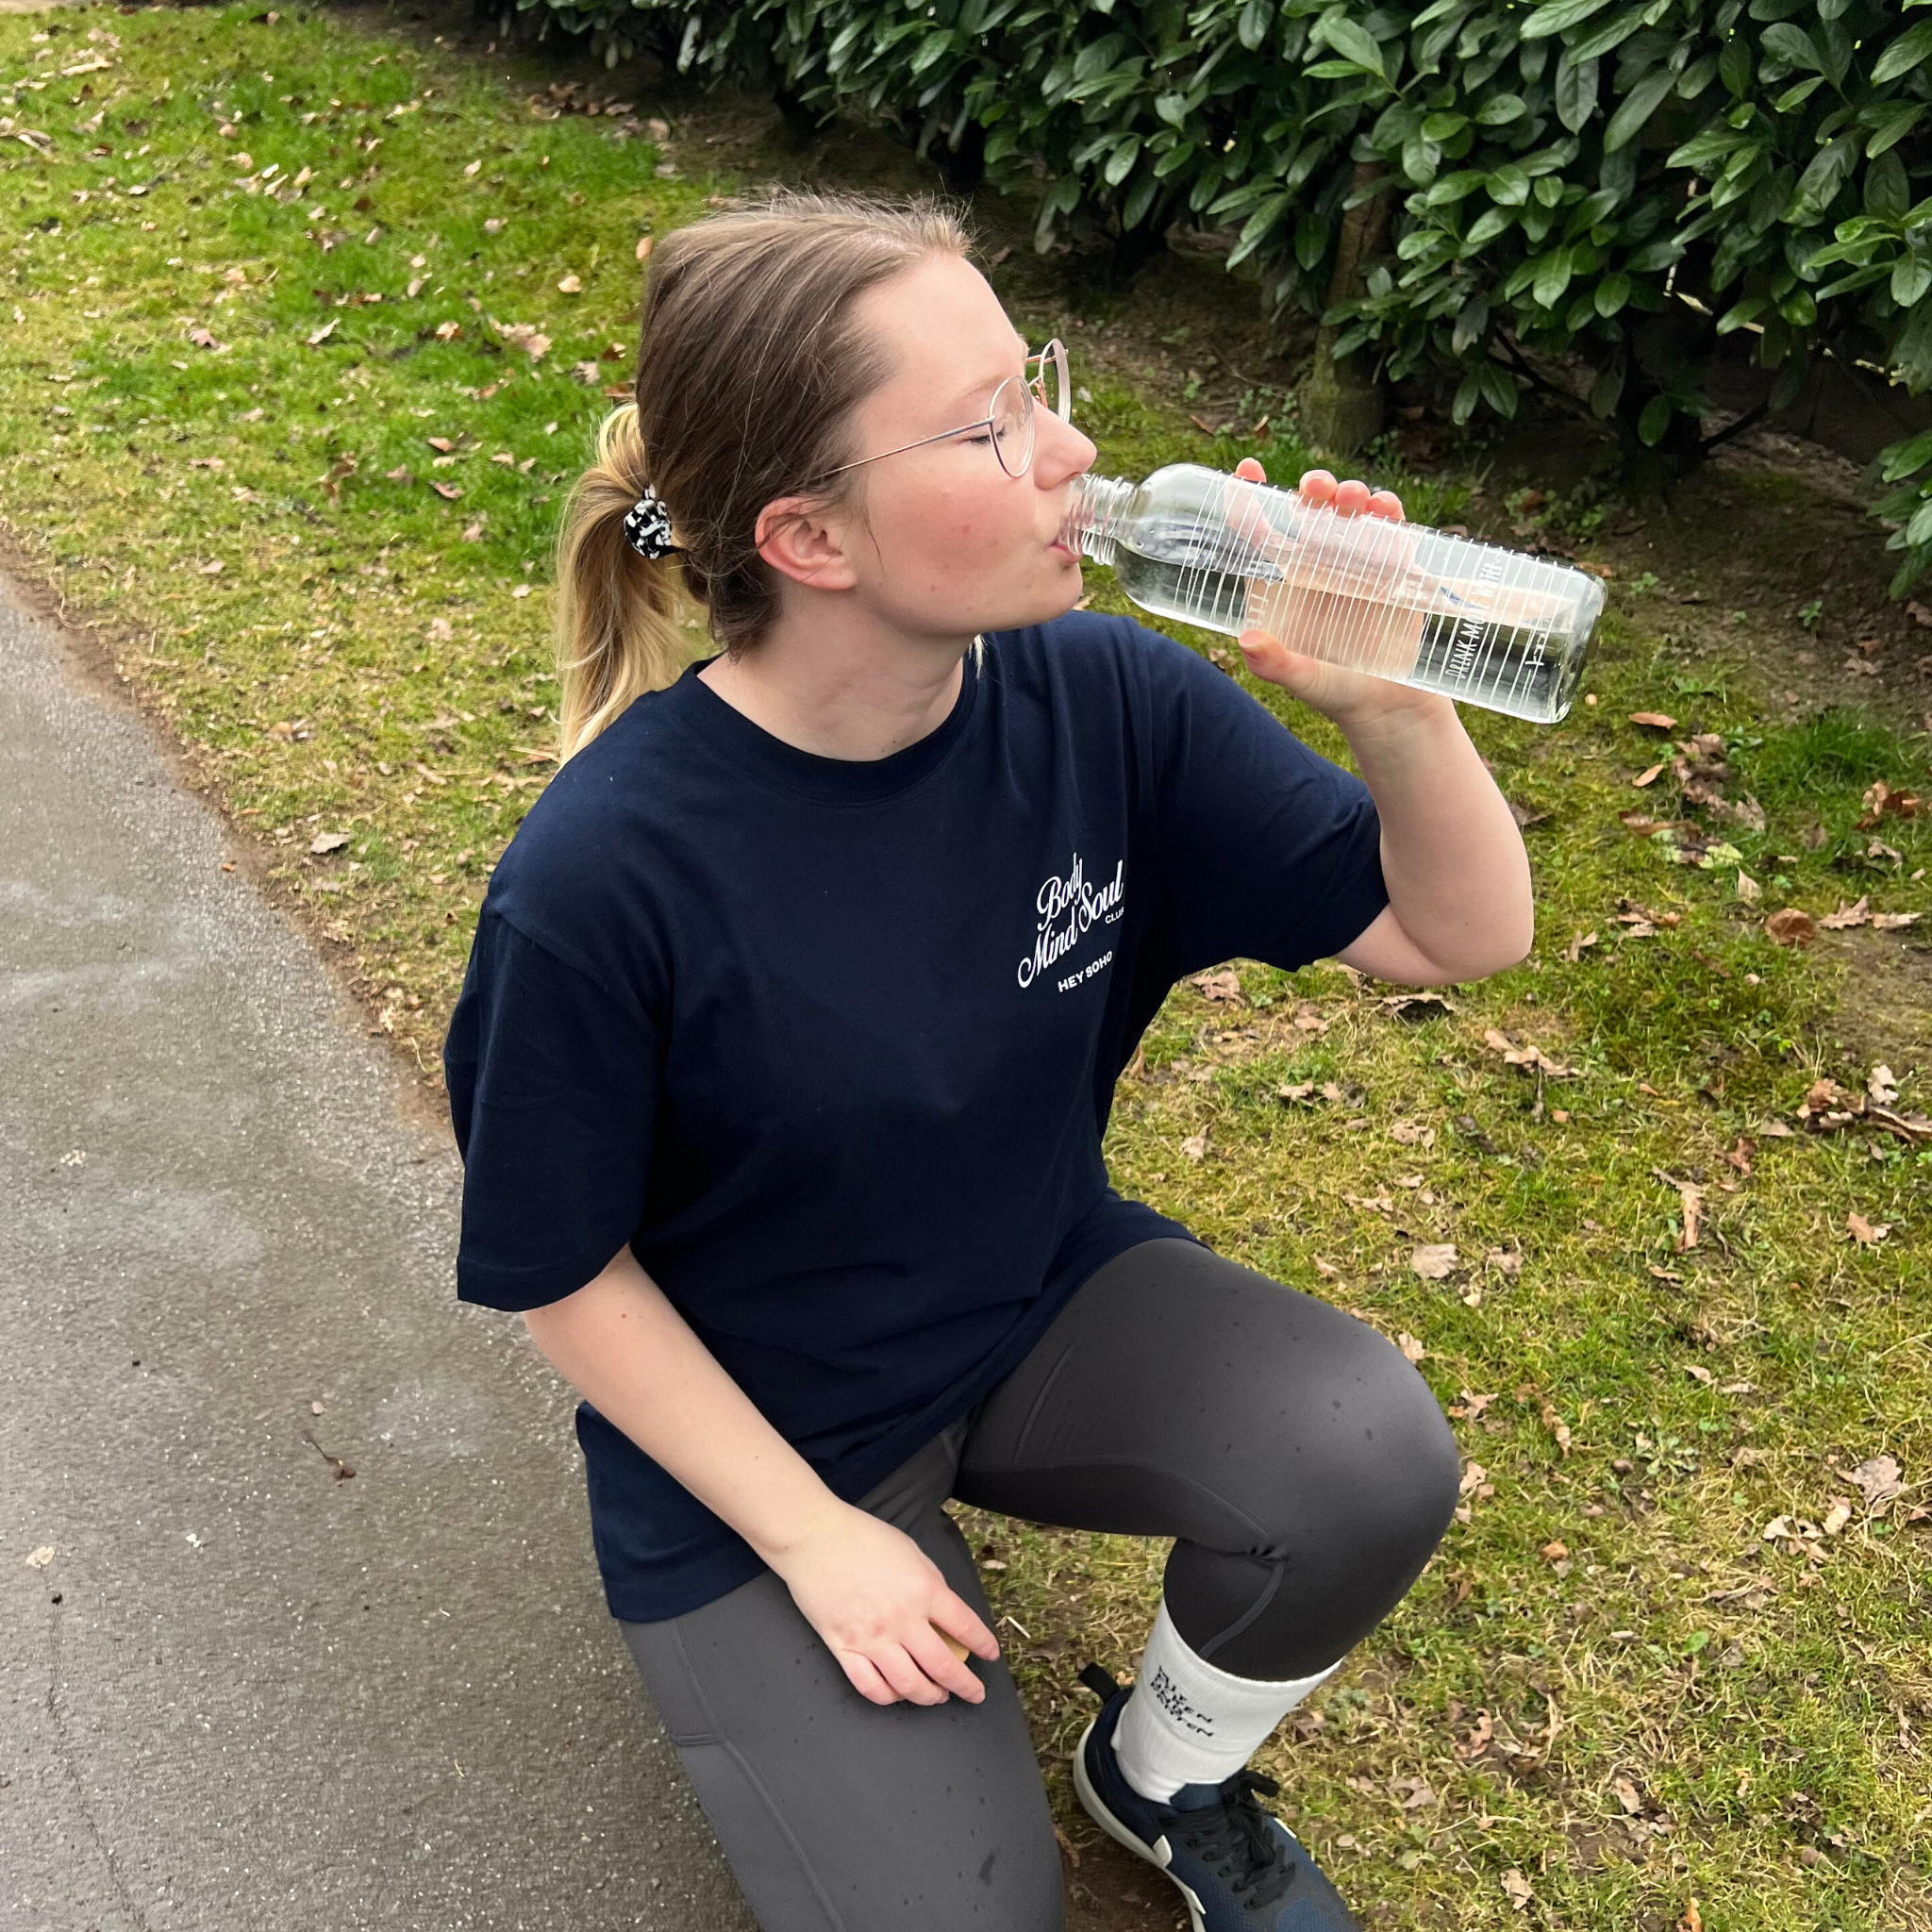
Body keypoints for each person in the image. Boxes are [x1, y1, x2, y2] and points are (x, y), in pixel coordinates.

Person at [444, 189, 1533, 1932]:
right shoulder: (601, 880)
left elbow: (1450, 933)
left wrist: (1400, 708)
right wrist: (816, 1541)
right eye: (992, 425)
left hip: (1025, 1304)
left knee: (1363, 1451)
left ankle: (1163, 1777)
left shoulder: (1103, 696)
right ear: (809, 540)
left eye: (1036, 383)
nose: (1073, 448)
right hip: (769, 1437)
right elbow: (560, 1276)